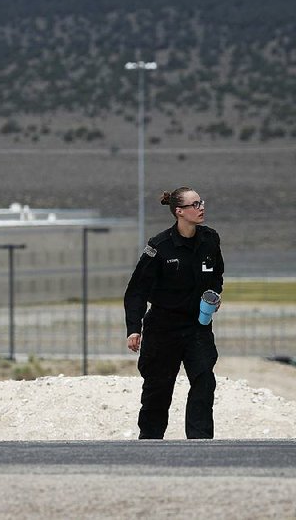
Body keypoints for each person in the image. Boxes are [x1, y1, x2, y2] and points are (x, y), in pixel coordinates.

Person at [124, 187, 224, 439]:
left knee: (204, 382)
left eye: (201, 202)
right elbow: (136, 291)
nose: (201, 207)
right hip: (162, 329)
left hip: (197, 327)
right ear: (179, 211)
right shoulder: (159, 247)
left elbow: (217, 275)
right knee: (158, 389)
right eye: (194, 204)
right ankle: (150, 442)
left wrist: (214, 295)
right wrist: (134, 328)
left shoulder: (210, 239)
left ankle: (200, 442)